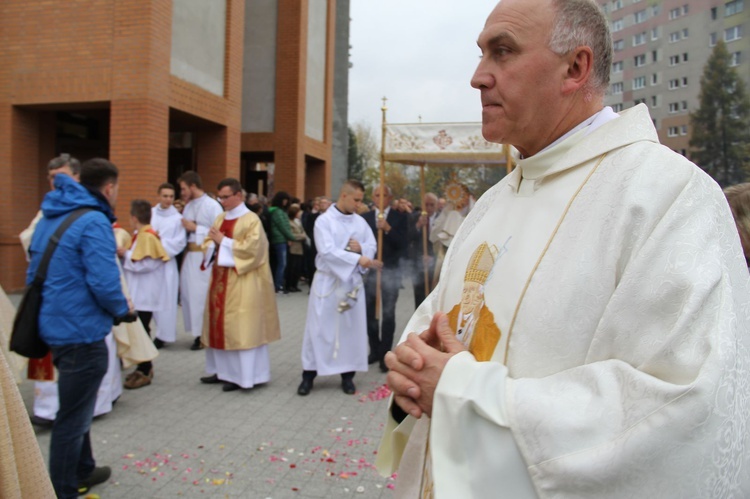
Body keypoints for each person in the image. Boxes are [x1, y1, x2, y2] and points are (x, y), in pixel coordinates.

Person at [377, 0, 750, 497]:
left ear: (576, 68)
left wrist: (464, 393)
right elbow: (448, 319)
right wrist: (413, 373)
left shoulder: (666, 196)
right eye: (481, 54)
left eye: (502, 52)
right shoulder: (493, 203)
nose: (478, 77)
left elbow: (684, 402)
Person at [28, 158, 133, 498]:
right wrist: (122, 309)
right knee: (71, 418)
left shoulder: (51, 214)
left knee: (77, 403)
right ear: (109, 187)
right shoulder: (93, 220)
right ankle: (61, 489)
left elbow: (33, 268)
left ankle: (84, 467)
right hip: (81, 330)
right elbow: (104, 281)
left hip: (55, 324)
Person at [21, 154, 122, 427]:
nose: (58, 183)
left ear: (78, 177)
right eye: (53, 178)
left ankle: (96, 408)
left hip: (75, 307)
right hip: (69, 309)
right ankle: (53, 415)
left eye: (63, 176)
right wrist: (120, 307)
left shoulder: (85, 211)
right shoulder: (51, 210)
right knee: (72, 410)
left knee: (80, 390)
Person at [298, 180, 382, 396]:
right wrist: (358, 259)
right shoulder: (324, 221)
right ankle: (309, 375)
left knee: (349, 329)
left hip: (350, 283)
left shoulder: (360, 222)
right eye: (356, 200)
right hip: (327, 283)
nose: (359, 204)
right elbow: (326, 251)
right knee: (319, 328)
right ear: (343, 195)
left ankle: (347, 376)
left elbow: (371, 245)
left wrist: (362, 249)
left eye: (361, 200)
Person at [199, 178, 281, 392]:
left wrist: (223, 242)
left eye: (226, 197)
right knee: (219, 324)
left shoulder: (251, 220)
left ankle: (244, 377)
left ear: (239, 195)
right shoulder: (220, 218)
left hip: (244, 282)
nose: (222, 201)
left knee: (242, 328)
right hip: (220, 280)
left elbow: (255, 250)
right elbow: (209, 242)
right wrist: (211, 245)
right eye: (220, 197)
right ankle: (221, 371)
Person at [120, 199, 171, 389]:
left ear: (134, 217)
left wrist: (125, 254)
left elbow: (147, 264)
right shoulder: (141, 235)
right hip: (140, 291)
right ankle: (141, 366)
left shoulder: (147, 236)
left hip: (146, 292)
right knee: (140, 328)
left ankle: (145, 367)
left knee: (143, 329)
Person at [361, 184, 408, 373]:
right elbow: (361, 244)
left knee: (388, 313)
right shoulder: (363, 219)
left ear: (390, 198)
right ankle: (374, 349)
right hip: (371, 272)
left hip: (391, 272)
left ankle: (385, 353)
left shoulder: (400, 217)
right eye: (377, 194)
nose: (380, 198)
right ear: (372, 197)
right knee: (370, 313)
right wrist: (370, 261)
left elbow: (404, 245)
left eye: (384, 195)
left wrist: (388, 228)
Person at [178, 171, 223, 350]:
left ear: (193, 186)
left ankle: (203, 334)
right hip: (190, 255)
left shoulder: (212, 205)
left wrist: (195, 228)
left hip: (205, 257)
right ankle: (196, 332)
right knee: (188, 295)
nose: (181, 192)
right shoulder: (188, 206)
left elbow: (218, 231)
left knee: (200, 296)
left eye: (183, 188)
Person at [150, 183, 187, 348]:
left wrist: (160, 243)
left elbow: (179, 243)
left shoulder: (178, 219)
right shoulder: (150, 214)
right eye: (165, 196)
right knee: (150, 297)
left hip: (166, 263)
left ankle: (163, 335)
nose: (168, 200)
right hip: (150, 262)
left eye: (171, 196)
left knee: (166, 299)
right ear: (158, 195)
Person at [411, 193, 439, 309]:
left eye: (431, 205)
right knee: (419, 298)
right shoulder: (414, 217)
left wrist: (434, 258)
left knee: (434, 297)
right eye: (426, 205)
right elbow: (408, 238)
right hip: (418, 264)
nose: (428, 208)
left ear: (436, 206)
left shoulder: (442, 219)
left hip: (436, 265)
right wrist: (418, 225)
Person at [268, 191, 297, 293]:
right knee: (282, 264)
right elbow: (283, 227)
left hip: (280, 239)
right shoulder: (278, 212)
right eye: (284, 200)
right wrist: (292, 237)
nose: (285, 202)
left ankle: (278, 284)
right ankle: (278, 285)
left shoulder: (276, 211)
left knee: (280, 263)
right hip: (280, 240)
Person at [285, 203, 308, 292]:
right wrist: (301, 236)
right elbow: (292, 235)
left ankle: (295, 285)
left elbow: (303, 232)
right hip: (293, 247)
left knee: (298, 267)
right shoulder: (289, 222)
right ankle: (289, 285)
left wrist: (302, 235)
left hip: (300, 247)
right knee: (292, 267)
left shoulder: (298, 222)